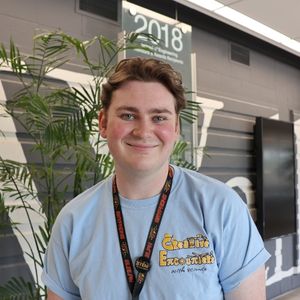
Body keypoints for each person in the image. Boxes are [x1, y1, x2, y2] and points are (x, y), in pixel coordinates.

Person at [42, 57, 270, 300]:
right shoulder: (73, 221)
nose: (143, 131)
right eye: (128, 115)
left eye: (159, 117)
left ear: (176, 128)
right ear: (103, 123)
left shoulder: (220, 208)